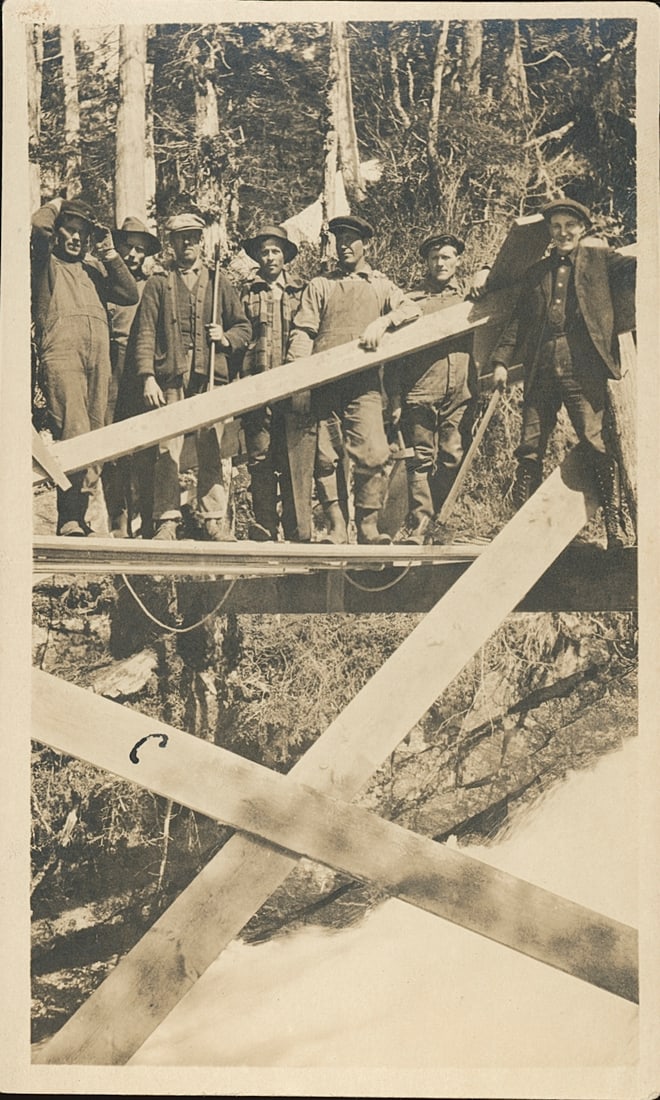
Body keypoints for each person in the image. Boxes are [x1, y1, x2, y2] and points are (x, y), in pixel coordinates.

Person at [489, 197, 636, 550]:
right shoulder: (536, 273)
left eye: (570, 225)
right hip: (540, 364)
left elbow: (638, 268)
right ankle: (523, 530)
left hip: (581, 365)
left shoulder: (601, 261)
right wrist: (500, 361)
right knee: (529, 445)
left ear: (582, 229)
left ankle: (614, 525)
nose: (563, 232)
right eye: (556, 227)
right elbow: (518, 324)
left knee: (594, 439)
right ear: (550, 233)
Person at [286, 215, 420, 545]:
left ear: (365, 244)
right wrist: (299, 384)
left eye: (352, 239)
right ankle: (335, 527)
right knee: (325, 457)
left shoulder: (380, 285)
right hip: (325, 386)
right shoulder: (320, 285)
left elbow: (412, 310)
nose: (344, 245)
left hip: (366, 386)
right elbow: (302, 333)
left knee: (372, 454)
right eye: (339, 239)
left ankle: (368, 527)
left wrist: (383, 323)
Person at [133, 211, 251, 541]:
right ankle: (167, 520)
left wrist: (224, 337)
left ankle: (212, 519)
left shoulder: (218, 281)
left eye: (193, 237)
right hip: (171, 379)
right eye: (181, 237)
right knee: (167, 451)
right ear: (170, 243)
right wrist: (147, 376)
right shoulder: (158, 283)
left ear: (201, 242)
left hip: (209, 378)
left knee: (210, 446)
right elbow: (144, 333)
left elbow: (243, 327)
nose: (188, 243)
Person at [31, 196, 139, 535]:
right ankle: (69, 517)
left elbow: (129, 293)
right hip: (62, 354)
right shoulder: (45, 263)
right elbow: (37, 226)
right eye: (70, 230)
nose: (76, 238)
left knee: (95, 434)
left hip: (99, 358)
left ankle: (82, 515)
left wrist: (110, 253)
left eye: (82, 232)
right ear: (60, 232)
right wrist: (58, 202)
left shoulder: (95, 268)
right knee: (74, 430)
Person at [385, 231, 478, 545]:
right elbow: (395, 355)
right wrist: (395, 397)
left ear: (457, 261)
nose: (440, 263)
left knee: (453, 455)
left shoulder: (469, 294)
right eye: (435, 257)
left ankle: (439, 520)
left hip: (461, 391)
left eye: (447, 257)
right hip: (421, 391)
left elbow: (505, 283)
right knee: (421, 459)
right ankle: (421, 524)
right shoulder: (411, 301)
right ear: (426, 261)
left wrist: (486, 271)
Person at [239, 224, 315, 541]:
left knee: (292, 458)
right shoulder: (245, 292)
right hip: (256, 387)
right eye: (265, 252)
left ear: (286, 257)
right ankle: (265, 525)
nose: (270, 257)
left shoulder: (303, 291)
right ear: (258, 256)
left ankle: (297, 529)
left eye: (276, 251)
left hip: (294, 389)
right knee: (260, 458)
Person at [103, 216, 161, 537]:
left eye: (141, 250)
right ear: (119, 246)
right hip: (112, 367)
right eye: (129, 246)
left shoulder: (153, 284)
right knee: (114, 444)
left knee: (146, 446)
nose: (134, 255)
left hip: (141, 370)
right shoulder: (107, 284)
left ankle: (150, 519)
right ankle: (118, 519)